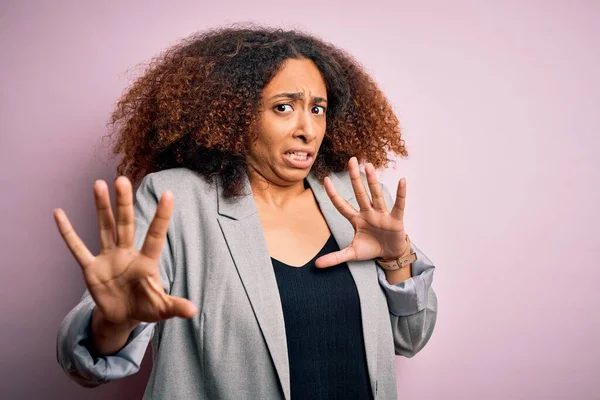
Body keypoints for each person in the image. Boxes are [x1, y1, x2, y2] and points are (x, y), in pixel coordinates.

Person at [55, 26, 437, 399]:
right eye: (283, 107)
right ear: (233, 113)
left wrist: (395, 259)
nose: (308, 129)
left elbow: (410, 338)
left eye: (317, 109)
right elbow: (87, 360)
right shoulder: (178, 199)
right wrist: (115, 321)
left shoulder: (358, 199)